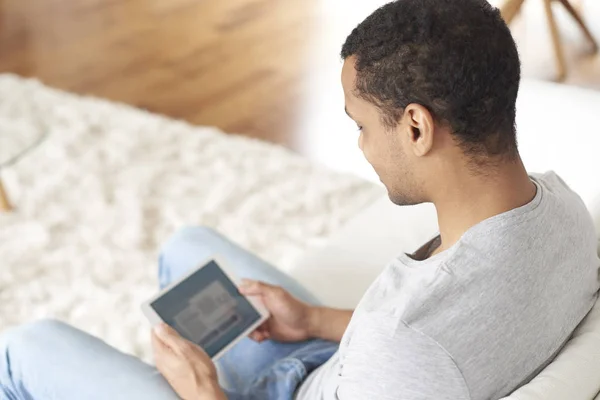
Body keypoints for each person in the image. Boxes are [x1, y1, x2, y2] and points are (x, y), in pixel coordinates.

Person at [1, 0, 599, 399]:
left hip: (346, 378)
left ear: (415, 128)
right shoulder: (566, 211)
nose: (361, 144)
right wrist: (311, 321)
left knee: (25, 349)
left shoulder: (405, 337)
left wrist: (204, 392)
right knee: (189, 248)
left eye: (362, 124)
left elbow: (411, 350)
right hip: (332, 372)